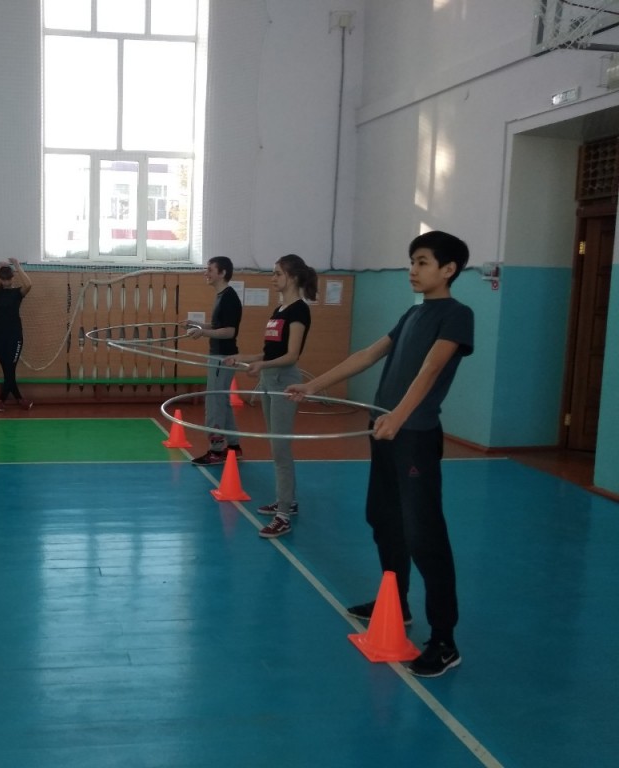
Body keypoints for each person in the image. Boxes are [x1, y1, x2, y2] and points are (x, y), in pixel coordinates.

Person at [286, 230, 473, 678]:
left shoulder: (457, 315)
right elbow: (369, 354)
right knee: (383, 519)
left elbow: (431, 369)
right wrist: (313, 386)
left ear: (448, 269)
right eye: (412, 261)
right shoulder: (412, 314)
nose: (413, 269)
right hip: (384, 432)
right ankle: (396, 603)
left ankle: (444, 641)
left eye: (423, 262)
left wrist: (398, 417)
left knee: (424, 536)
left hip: (414, 437)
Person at [225, 254, 317, 538]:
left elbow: (291, 356)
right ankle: (287, 500)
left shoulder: (299, 310)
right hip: (268, 379)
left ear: (292, 277)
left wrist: (262, 366)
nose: (272, 278)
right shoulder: (279, 309)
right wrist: (244, 357)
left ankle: (283, 515)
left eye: (277, 273)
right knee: (276, 445)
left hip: (284, 382)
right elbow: (269, 352)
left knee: (280, 450)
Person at [184, 256, 243, 465]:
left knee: (215, 404)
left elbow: (229, 332)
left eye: (210, 270)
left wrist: (203, 333)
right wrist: (198, 325)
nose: (206, 273)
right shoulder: (221, 296)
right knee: (222, 403)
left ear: (222, 273)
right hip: (218, 356)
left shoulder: (229, 297)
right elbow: (218, 326)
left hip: (222, 358)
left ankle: (216, 451)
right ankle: (234, 446)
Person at [0, 258, 33, 412]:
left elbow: (29, 285)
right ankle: (20, 400)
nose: (6, 282)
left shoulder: (18, 293)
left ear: (12, 278)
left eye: (8, 279)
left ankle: (1, 400)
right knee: (7, 369)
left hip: (15, 337)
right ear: (0, 279)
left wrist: (17, 266)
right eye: (3, 279)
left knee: (10, 368)